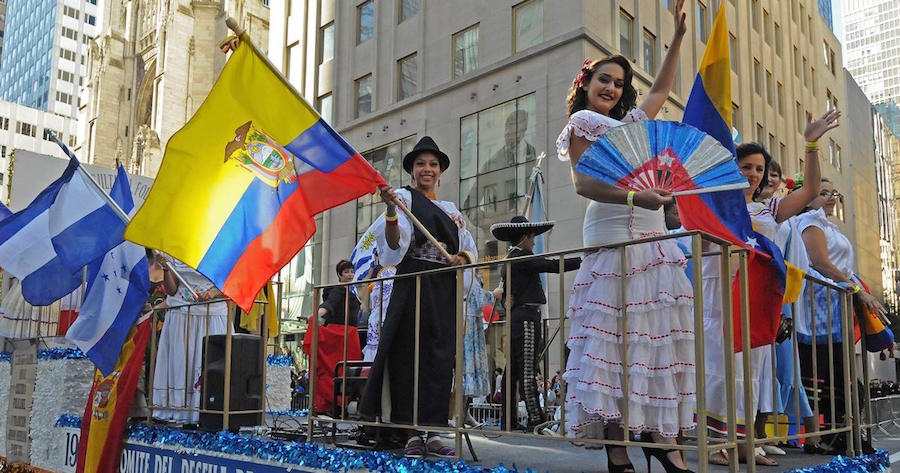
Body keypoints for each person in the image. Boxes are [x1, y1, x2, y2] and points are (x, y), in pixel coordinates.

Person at [557, 2, 693, 471]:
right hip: (614, 226)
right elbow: (582, 183)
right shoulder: (582, 125)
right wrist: (637, 199)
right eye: (604, 80)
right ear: (586, 85)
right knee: (615, 339)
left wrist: (676, 38)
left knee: (655, 338)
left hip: (654, 234)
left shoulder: (636, 125)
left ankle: (662, 441)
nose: (611, 88)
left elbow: (661, 88)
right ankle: (618, 451)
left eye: (618, 82)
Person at [703, 110, 838, 467]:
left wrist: (811, 143)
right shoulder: (713, 205)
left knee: (754, 371)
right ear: (733, 167)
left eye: (759, 169)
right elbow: (700, 246)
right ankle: (718, 444)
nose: (753, 174)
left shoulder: (769, 210)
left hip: (759, 297)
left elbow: (809, 190)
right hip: (720, 293)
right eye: (746, 166)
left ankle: (746, 444)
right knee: (722, 367)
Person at [358, 136, 477, 459]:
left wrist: (462, 259)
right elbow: (393, 247)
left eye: (433, 164)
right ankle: (410, 432)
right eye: (421, 164)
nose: (427, 169)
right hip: (412, 286)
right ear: (412, 170)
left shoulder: (451, 211)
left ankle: (433, 430)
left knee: (439, 360)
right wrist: (390, 211)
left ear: (440, 172)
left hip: (442, 290)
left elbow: (468, 247)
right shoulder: (404, 201)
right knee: (408, 357)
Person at [798, 178, 883, 455]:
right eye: (823, 193)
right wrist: (858, 290)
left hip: (836, 309)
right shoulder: (810, 221)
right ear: (807, 197)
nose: (831, 198)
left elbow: (841, 267)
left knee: (841, 374)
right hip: (819, 310)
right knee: (828, 374)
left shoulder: (828, 225)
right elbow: (820, 262)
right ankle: (832, 434)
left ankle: (844, 432)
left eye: (833, 193)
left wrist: (859, 290)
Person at [490, 216, 580, 431]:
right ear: (525, 237)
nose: (534, 243)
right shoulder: (521, 257)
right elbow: (550, 265)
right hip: (526, 318)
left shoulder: (511, 259)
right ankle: (535, 419)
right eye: (532, 238)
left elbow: (506, 294)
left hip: (518, 317)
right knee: (528, 369)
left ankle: (508, 421)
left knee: (512, 370)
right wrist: (582, 261)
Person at [769, 173, 836, 455]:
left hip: (780, 296)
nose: (767, 178)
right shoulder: (794, 219)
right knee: (765, 366)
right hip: (759, 291)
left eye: (772, 173)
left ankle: (804, 433)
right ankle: (765, 434)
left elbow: (796, 260)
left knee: (786, 365)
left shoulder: (782, 217)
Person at [151, 257, 228, 424]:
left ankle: (211, 410)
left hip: (212, 314)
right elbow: (172, 290)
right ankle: (180, 411)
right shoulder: (174, 247)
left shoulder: (222, 244)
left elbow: (232, 281)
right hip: (181, 314)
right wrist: (166, 268)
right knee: (181, 364)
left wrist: (213, 293)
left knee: (211, 364)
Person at [303, 260, 363, 415]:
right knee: (339, 370)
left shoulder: (351, 291)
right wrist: (316, 315)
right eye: (346, 272)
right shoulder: (339, 290)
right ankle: (335, 404)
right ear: (339, 275)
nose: (350, 275)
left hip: (350, 335)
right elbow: (329, 304)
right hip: (341, 335)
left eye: (351, 271)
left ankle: (342, 404)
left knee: (348, 371)